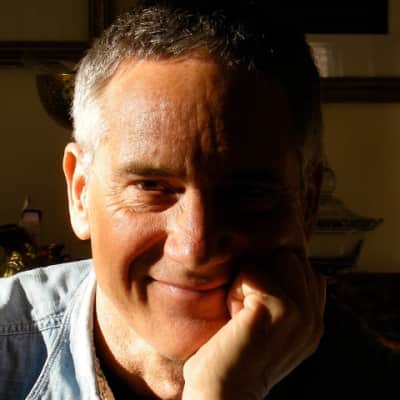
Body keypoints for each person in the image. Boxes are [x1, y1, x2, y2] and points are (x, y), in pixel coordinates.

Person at [1, 1, 366, 398]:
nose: (195, 249)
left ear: (307, 203)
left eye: (248, 193)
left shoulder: (369, 375)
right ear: (80, 192)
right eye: (151, 186)